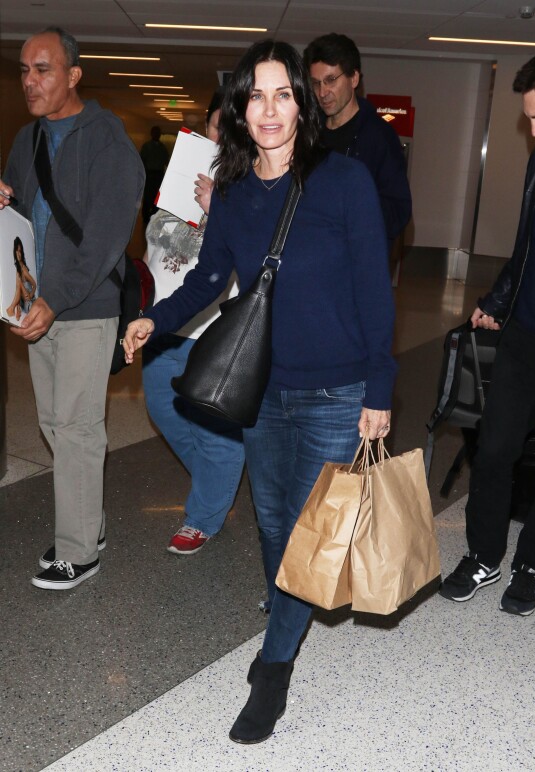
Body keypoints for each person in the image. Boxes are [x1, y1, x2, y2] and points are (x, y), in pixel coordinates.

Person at [123, 39, 396, 743]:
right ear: (240, 109)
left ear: (301, 104)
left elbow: (374, 291)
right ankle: (285, 620)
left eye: (283, 94)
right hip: (263, 391)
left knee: (306, 534)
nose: (269, 109)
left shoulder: (344, 181)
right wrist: (155, 319)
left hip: (338, 394)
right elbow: (212, 278)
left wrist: (380, 389)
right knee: (274, 528)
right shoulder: (238, 193)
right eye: (256, 96)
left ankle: (273, 669)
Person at [0, 27, 144, 590]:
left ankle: (80, 552)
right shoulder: (25, 138)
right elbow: (15, 212)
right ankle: (90, 522)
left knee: (79, 427)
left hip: (84, 306)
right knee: (51, 423)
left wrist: (57, 300)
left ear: (74, 74)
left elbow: (107, 237)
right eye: (23, 70)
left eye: (43, 69)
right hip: (37, 305)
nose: (30, 81)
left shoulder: (108, 141)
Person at [439, 44, 535, 617]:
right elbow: (527, 248)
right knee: (493, 451)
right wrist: (496, 300)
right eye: (529, 117)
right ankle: (483, 555)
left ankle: (531, 563)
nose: (534, 127)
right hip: (524, 339)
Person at [142, 90, 245, 556]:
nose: (221, 136)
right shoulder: (183, 168)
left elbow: (251, 253)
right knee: (163, 408)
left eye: (232, 128)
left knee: (212, 426)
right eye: (217, 125)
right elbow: (156, 236)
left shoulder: (250, 182)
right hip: (165, 316)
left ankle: (203, 515)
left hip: (213, 324)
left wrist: (217, 207)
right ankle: (215, 489)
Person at [303, 32, 411, 254]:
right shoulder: (308, 135)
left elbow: (398, 211)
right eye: (316, 83)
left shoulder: (379, 137)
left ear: (354, 78)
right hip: (310, 258)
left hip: (355, 263)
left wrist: (350, 206)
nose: (322, 92)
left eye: (331, 80)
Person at [140, 125, 169, 225]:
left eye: (158, 133)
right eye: (155, 132)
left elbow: (166, 161)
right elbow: (141, 161)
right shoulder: (146, 146)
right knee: (148, 197)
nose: (157, 135)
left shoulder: (163, 148)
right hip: (149, 174)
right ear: (151, 134)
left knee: (157, 197)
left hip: (159, 175)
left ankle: (154, 216)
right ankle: (145, 217)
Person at [6, 236, 37, 321]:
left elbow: (34, 284)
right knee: (18, 281)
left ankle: (12, 307)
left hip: (30, 302)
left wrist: (30, 295)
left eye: (20, 251)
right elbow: (18, 287)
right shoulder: (18, 268)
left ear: (22, 252)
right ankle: (14, 307)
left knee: (19, 281)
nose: (18, 254)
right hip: (24, 302)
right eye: (16, 251)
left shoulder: (23, 268)